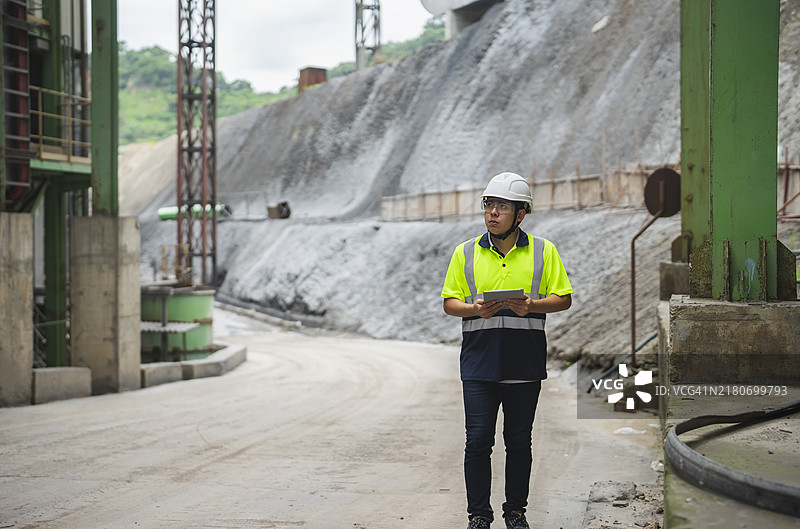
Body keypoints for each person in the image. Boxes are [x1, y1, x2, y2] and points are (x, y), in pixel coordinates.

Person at [440, 172, 573, 529]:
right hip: (479, 365)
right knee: (477, 442)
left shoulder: (544, 251)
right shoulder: (465, 252)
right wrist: (473, 309)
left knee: (518, 443)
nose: (493, 213)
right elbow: (449, 302)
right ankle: (478, 516)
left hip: (524, 364)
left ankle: (515, 512)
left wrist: (532, 306)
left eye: (502, 206)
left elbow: (564, 298)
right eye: (489, 205)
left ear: (521, 214)